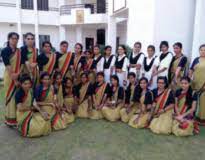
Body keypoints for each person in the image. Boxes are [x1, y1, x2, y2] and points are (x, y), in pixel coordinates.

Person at [1, 32, 24, 126]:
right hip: (9, 77)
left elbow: (22, 63)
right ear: (9, 39)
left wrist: (18, 74)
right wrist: (14, 79)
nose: (15, 40)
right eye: (13, 38)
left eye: (16, 38)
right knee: (10, 98)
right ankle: (10, 120)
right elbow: (8, 65)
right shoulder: (5, 50)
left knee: (17, 97)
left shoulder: (19, 51)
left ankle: (17, 117)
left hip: (18, 75)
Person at [189, 44, 205, 125]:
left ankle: (202, 118)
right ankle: (192, 115)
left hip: (204, 85)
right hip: (195, 83)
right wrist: (188, 80)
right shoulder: (196, 59)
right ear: (199, 51)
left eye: (204, 50)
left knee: (203, 99)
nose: (203, 51)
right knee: (193, 99)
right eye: (201, 50)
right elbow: (191, 70)